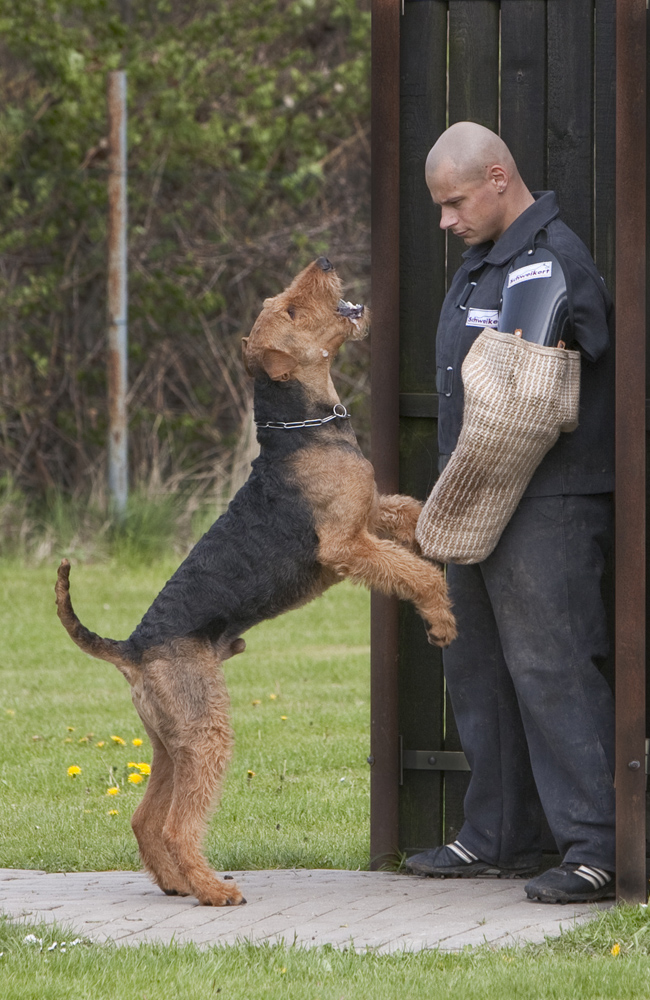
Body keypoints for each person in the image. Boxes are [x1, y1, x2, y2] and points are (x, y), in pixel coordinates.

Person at [405, 122, 616, 904]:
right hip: (476, 502)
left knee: (552, 669)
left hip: (544, 507)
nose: (445, 219)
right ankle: (498, 835)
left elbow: (528, 403)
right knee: (478, 667)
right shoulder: (482, 267)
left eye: (454, 201)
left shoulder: (548, 262)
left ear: (499, 177)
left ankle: (597, 848)